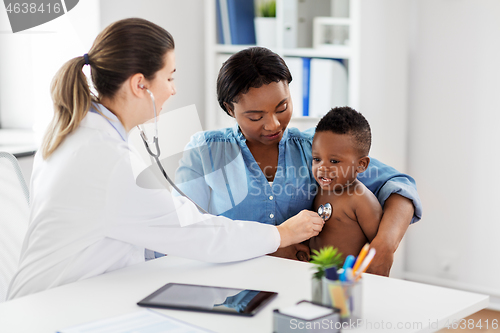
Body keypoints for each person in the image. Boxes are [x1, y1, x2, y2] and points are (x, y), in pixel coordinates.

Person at [6, 19, 325, 300]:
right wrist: (280, 234)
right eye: (169, 77)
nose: (173, 91)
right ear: (140, 84)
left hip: (52, 299)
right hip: (53, 308)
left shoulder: (73, 132)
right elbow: (194, 231)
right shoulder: (109, 161)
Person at [174, 47, 422, 275]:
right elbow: (184, 231)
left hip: (304, 289)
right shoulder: (205, 152)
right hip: (228, 287)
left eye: (282, 107)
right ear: (230, 109)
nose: (273, 124)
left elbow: (399, 186)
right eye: (256, 116)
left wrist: (384, 247)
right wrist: (271, 246)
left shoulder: (316, 149)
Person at [308, 107, 383, 258]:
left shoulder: (361, 200)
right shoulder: (320, 189)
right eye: (317, 159)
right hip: (317, 273)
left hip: (344, 279)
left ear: (361, 164)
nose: (322, 168)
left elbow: (379, 251)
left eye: (334, 161)